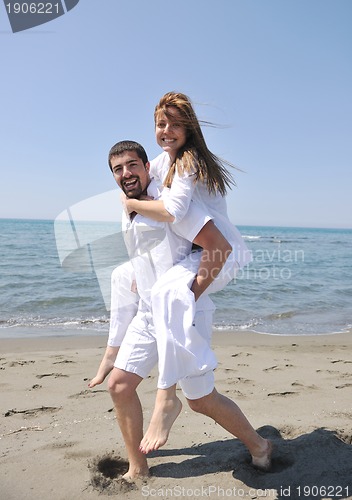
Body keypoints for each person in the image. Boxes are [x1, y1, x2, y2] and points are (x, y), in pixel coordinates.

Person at [91, 140, 272, 480]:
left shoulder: (171, 203)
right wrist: (136, 276)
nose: (126, 173)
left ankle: (259, 444)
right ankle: (138, 466)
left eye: (132, 165)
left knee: (201, 399)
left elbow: (216, 247)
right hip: (148, 313)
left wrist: (192, 294)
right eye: (118, 169)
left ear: (149, 166)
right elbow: (144, 253)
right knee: (118, 385)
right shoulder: (130, 206)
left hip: (180, 312)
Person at [121, 92, 253, 454]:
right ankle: (173, 397)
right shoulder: (164, 163)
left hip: (216, 251)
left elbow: (176, 210)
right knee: (166, 296)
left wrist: (130, 203)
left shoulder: (188, 160)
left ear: (189, 128)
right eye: (161, 124)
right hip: (195, 254)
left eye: (175, 124)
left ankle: (166, 398)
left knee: (168, 296)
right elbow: (152, 200)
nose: (167, 130)